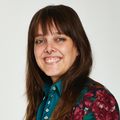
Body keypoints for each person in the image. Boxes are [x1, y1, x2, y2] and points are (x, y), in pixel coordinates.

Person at [25, 5, 120, 120]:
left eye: (59, 39)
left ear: (78, 47)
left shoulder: (97, 100)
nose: (49, 48)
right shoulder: (42, 98)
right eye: (40, 41)